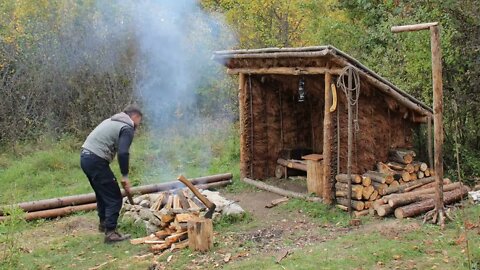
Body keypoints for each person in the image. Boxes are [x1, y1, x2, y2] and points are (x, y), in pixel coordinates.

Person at [80, 105, 142, 243]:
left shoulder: (112, 120)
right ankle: (111, 233)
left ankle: (104, 224)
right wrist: (125, 175)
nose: (138, 125)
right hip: (96, 160)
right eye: (139, 121)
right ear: (135, 116)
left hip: (85, 157)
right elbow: (123, 152)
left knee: (102, 193)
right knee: (114, 196)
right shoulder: (127, 127)